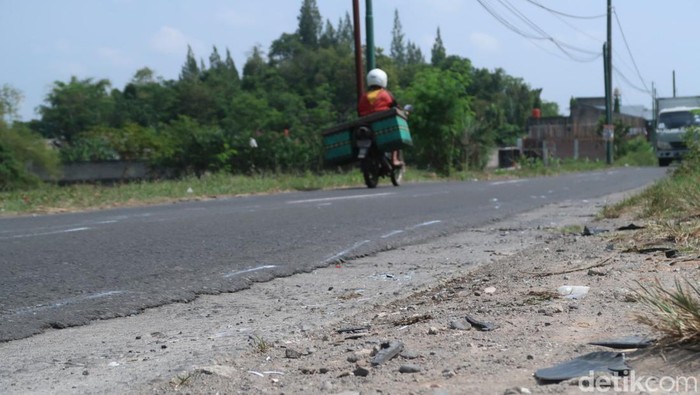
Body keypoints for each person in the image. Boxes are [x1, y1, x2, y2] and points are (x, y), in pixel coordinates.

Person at [357, 68, 403, 166]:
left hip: (367, 125)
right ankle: (394, 159)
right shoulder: (385, 94)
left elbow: (359, 112)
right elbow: (396, 107)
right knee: (395, 135)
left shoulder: (364, 96)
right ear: (383, 80)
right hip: (383, 124)